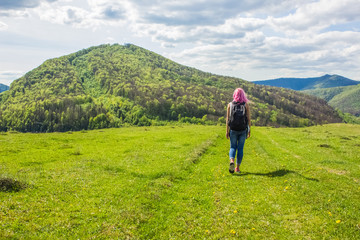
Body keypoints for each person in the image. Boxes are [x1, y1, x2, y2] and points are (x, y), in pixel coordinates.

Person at [226, 88, 251, 173]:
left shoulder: (230, 104)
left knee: (232, 147)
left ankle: (231, 161)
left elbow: (227, 119)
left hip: (233, 129)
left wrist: (227, 131)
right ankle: (237, 168)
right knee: (240, 148)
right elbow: (248, 118)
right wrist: (249, 129)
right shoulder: (245, 105)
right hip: (243, 129)